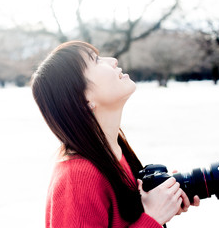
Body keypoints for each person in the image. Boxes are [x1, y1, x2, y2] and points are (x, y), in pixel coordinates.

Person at [31, 41, 199, 227]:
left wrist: (162, 202)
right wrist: (152, 218)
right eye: (95, 60)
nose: (113, 60)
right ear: (83, 99)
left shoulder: (114, 151)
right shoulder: (76, 177)